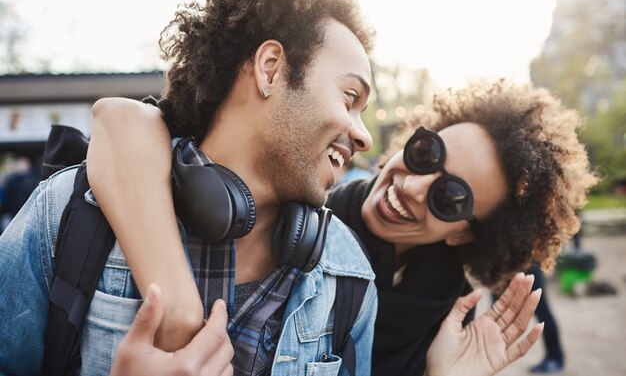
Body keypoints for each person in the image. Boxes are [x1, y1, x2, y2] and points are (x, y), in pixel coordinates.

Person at [0, 0, 380, 375]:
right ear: (271, 68)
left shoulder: (350, 280)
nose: (364, 138)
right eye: (348, 97)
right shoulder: (67, 212)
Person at [87, 79, 596, 375]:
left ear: (465, 234)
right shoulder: (294, 212)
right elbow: (122, 121)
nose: (414, 187)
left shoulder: (448, 323)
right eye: (425, 153)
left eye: (451, 198)